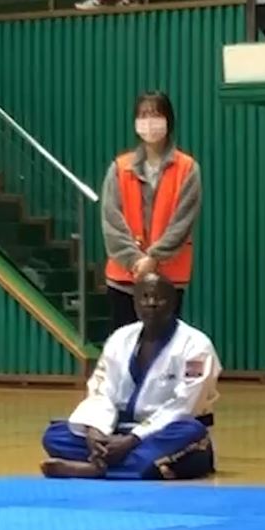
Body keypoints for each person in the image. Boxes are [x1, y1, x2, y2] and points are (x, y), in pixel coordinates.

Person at [40, 272, 220, 481]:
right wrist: (95, 431)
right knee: (55, 435)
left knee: (190, 431)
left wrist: (133, 439)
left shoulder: (196, 345)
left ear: (173, 303)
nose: (151, 303)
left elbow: (185, 406)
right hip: (119, 429)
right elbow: (101, 390)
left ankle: (96, 468)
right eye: (144, 297)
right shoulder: (121, 338)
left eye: (159, 298)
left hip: (162, 432)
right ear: (134, 302)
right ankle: (125, 464)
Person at [99, 91, 203, 346]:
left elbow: (183, 222)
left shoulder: (187, 168)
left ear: (168, 120)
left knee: (163, 351)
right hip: (124, 279)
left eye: (156, 114)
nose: (149, 121)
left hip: (168, 280)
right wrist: (136, 261)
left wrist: (154, 258)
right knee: (124, 350)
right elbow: (111, 221)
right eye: (143, 115)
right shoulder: (119, 167)